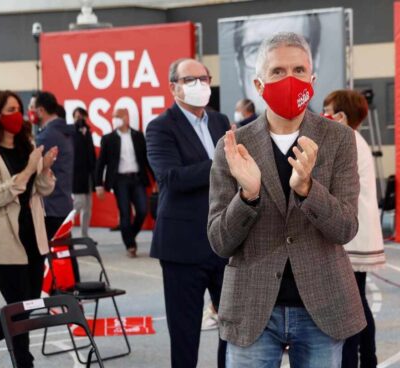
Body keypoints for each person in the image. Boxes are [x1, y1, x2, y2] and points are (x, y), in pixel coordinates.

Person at [208, 32, 366, 367]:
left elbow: (347, 227)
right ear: (259, 83)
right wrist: (247, 197)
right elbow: (220, 240)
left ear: (313, 79)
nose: (290, 79)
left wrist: (309, 190)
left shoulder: (338, 139)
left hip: (321, 307)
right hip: (252, 308)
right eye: (278, 71)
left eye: (298, 70)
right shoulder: (234, 146)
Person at [146, 58, 230, 368]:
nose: (200, 85)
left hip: (224, 241)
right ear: (174, 87)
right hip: (182, 248)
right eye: (190, 79)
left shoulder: (220, 121)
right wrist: (223, 163)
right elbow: (170, 178)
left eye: (204, 78)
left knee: (233, 329)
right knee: (185, 336)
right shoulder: (160, 127)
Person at [0, 90, 57, 368]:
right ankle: (24, 362)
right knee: (19, 308)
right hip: (0, 243)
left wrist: (44, 170)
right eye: (10, 110)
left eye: (19, 108)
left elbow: (43, 190)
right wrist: (27, 171)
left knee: (28, 305)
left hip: (32, 236)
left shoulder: (27, 143)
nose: (18, 115)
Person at [323, 90, 386, 368]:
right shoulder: (355, 140)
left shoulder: (346, 140)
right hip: (358, 231)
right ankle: (366, 359)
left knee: (350, 307)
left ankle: (355, 361)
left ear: (340, 116)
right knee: (357, 303)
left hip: (352, 234)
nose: (322, 116)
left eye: (327, 111)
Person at [232, 14, 321, 113]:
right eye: (256, 50)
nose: (287, 80)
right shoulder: (237, 128)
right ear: (238, 66)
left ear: (314, 60)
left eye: (293, 47)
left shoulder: (332, 129)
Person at [95, 108, 151, 257]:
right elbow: (101, 163)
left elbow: (146, 159)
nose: (115, 119)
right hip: (120, 181)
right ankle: (130, 245)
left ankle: (129, 235)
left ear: (126, 117)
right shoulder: (108, 139)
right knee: (125, 213)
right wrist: (98, 184)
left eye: (118, 117)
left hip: (137, 178)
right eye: (113, 117)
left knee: (142, 210)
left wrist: (157, 178)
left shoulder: (138, 136)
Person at [31, 91, 75, 239]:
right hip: (63, 201)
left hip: (50, 205)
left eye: (32, 108)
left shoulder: (46, 136)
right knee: (64, 252)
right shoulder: (64, 131)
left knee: (55, 255)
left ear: (41, 110)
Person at [72, 107, 96, 238]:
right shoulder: (71, 133)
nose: (79, 120)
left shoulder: (88, 132)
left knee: (88, 207)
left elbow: (91, 154)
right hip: (76, 175)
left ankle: (84, 234)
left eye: (81, 117)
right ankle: (65, 229)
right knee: (78, 203)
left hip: (88, 175)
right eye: (77, 117)